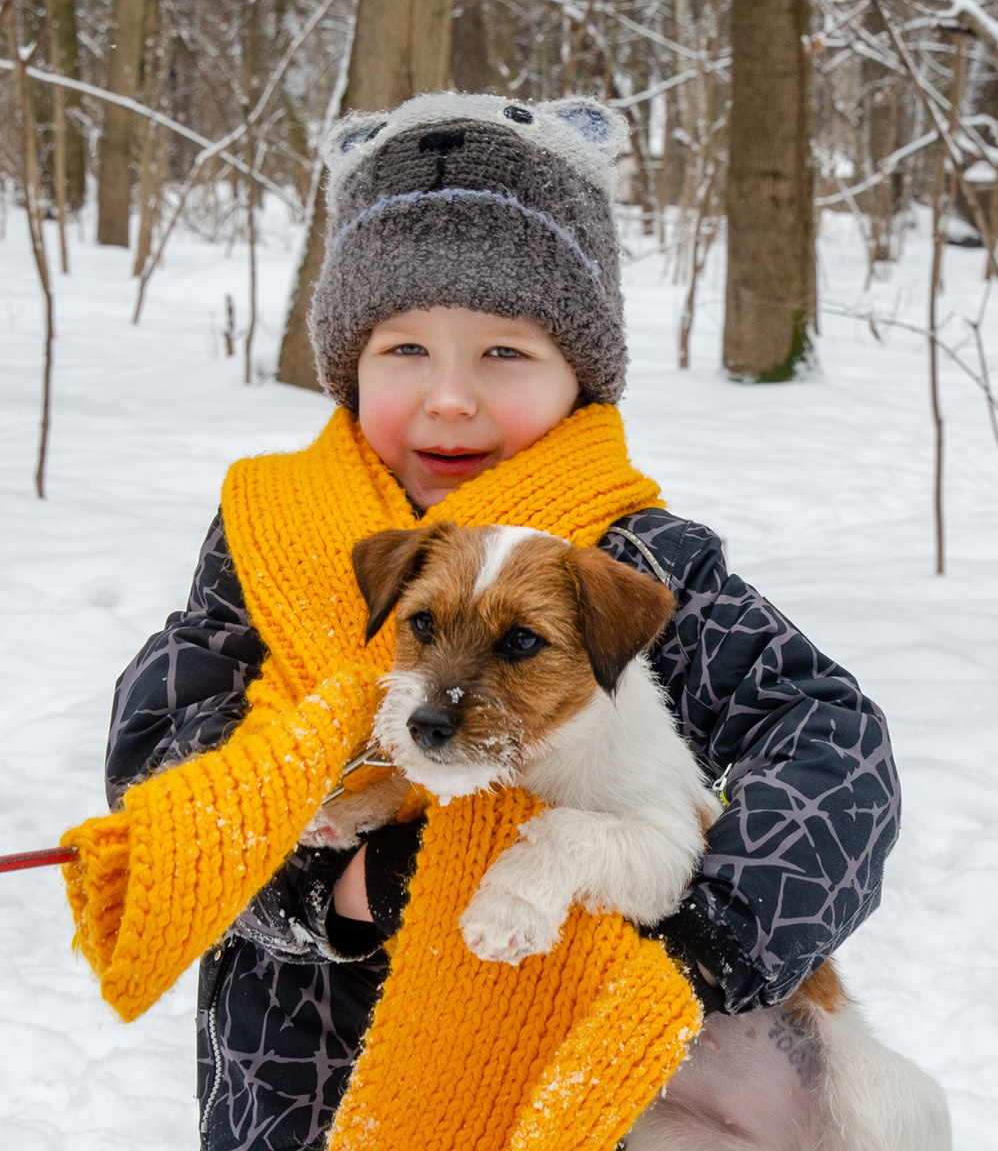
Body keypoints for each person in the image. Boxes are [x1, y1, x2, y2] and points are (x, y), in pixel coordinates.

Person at [96, 94, 898, 1151]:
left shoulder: (638, 556)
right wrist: (331, 889)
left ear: (580, 373)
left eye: (504, 354)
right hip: (300, 1071)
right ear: (347, 363)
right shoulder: (263, 541)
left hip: (562, 1073)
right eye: (402, 351)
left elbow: (829, 743)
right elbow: (168, 768)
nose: (448, 400)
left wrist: (705, 931)